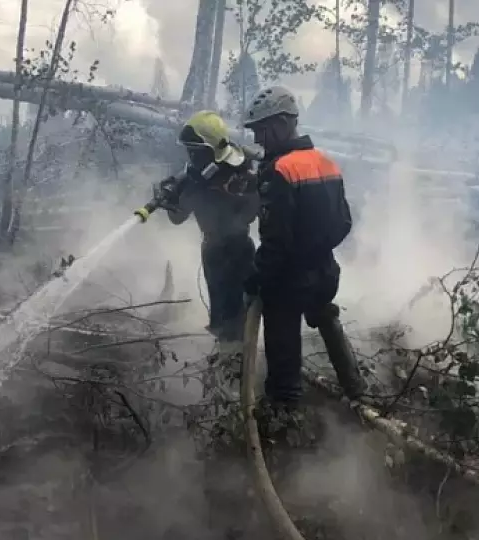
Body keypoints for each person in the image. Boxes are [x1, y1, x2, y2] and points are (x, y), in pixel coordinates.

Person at [241, 85, 366, 412]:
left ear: (282, 125)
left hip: (289, 280)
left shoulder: (278, 170)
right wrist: (315, 251)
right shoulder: (325, 162)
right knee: (324, 314)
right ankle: (358, 391)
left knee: (283, 350)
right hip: (325, 272)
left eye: (261, 131)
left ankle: (285, 418)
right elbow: (344, 223)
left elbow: (276, 239)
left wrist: (257, 277)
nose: (257, 140)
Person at [153, 111, 260, 351]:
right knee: (221, 318)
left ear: (210, 149)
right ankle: (225, 356)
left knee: (239, 317)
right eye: (189, 151)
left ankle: (240, 364)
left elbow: (252, 211)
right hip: (212, 251)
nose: (191, 157)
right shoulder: (193, 178)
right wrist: (170, 198)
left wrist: (227, 192)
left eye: (195, 151)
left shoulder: (241, 171)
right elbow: (178, 218)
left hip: (238, 251)